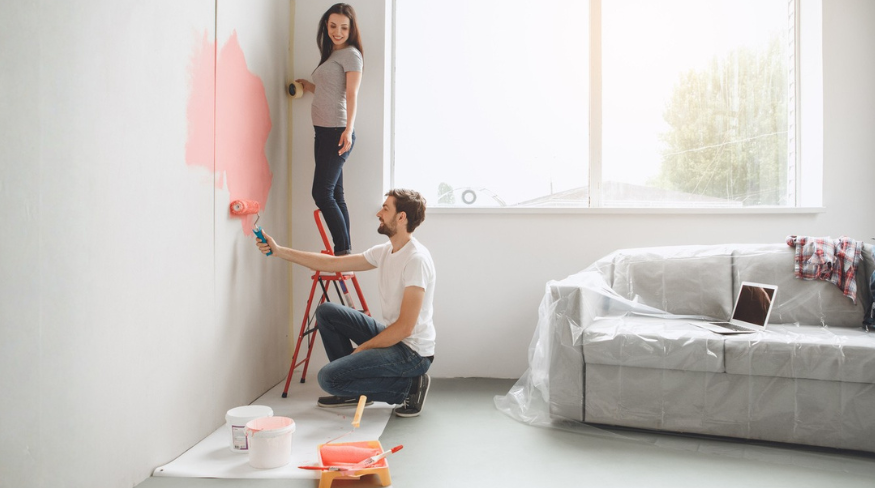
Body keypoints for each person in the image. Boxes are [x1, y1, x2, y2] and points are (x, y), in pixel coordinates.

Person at [255, 189, 436, 417]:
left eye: (386, 208)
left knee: (328, 378)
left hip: (413, 352)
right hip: (395, 337)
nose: (379, 213)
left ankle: (409, 388)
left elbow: (405, 328)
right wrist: (280, 251)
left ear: (401, 217)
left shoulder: (416, 259)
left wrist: (364, 348)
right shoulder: (386, 251)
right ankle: (353, 387)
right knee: (327, 312)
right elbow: (332, 264)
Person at [295, 3, 363, 256]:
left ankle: (342, 252)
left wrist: (349, 128)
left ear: (351, 29)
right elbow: (331, 89)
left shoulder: (352, 54)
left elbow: (352, 93)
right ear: (326, 25)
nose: (338, 31)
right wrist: (311, 87)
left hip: (338, 131)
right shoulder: (332, 55)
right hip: (323, 132)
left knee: (321, 193)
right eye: (333, 26)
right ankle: (345, 249)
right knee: (335, 193)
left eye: (344, 27)